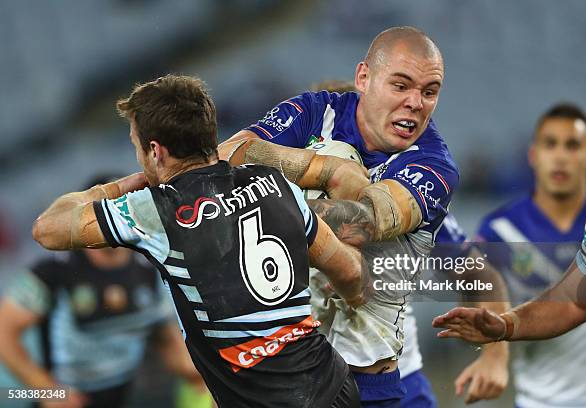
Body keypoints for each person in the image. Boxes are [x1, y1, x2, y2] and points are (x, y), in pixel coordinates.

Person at [32, 75, 369, 407]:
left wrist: (118, 187)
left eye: (137, 145)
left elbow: (48, 228)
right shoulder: (276, 184)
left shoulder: (156, 210)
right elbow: (349, 271)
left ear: (155, 150)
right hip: (335, 387)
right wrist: (352, 299)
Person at [219, 26, 460, 407]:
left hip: (366, 384)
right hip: (284, 372)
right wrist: (321, 169)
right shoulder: (315, 112)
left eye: (430, 92)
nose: (416, 102)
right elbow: (229, 155)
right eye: (401, 86)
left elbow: (368, 219)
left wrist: (272, 206)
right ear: (364, 77)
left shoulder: (433, 165)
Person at [308, 80, 510, 406]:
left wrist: (495, 358)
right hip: (307, 387)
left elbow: (479, 274)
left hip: (393, 385)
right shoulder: (281, 204)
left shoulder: (408, 210)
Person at [435, 104, 586, 408]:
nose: (560, 157)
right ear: (533, 155)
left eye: (572, 146)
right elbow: (478, 300)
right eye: (550, 144)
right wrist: (494, 349)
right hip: (538, 396)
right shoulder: (501, 229)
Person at [0, 174, 202, 408]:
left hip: (129, 395)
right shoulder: (55, 271)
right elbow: (4, 332)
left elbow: (166, 338)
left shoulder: (150, 267)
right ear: (88, 216)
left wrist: (204, 372)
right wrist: (48, 392)